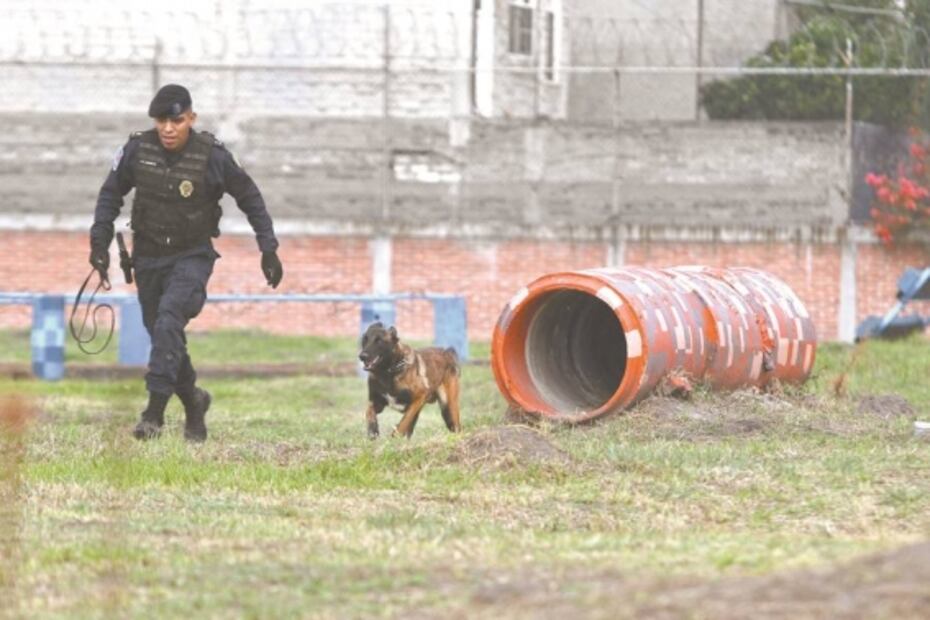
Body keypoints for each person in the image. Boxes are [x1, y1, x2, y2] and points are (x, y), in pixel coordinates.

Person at [89, 84, 283, 442]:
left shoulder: (213, 156)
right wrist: (99, 242)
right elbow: (110, 194)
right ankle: (194, 401)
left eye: (176, 121)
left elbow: (250, 197)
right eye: (161, 121)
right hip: (147, 257)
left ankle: (153, 414)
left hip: (191, 256)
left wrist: (268, 248)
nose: (168, 128)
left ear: (191, 118)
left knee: (168, 320)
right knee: (163, 333)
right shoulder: (137, 150)